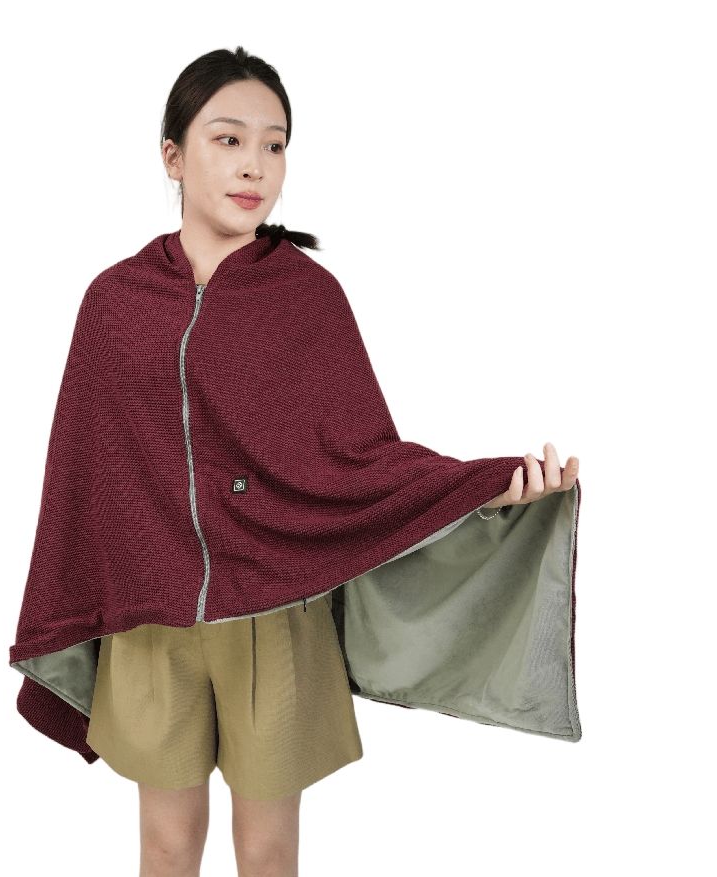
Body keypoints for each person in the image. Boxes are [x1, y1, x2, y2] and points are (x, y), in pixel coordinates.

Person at [75, 46, 579, 877]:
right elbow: (85, 479)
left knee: (268, 850)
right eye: (228, 139)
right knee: (164, 846)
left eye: (274, 145)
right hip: (151, 620)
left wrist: (488, 487)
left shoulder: (307, 297)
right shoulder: (113, 303)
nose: (255, 165)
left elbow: (366, 463)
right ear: (172, 155)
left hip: (278, 614)